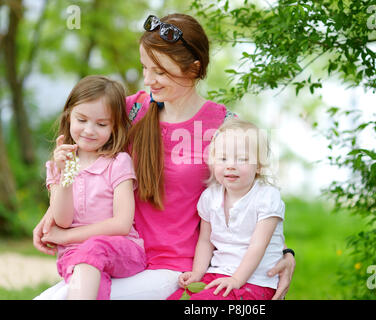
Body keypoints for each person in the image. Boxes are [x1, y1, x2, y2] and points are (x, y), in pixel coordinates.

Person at [33, 13, 295, 300]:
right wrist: (52, 213)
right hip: (117, 254)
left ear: (193, 68)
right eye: (145, 68)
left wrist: (284, 253)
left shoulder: (222, 126)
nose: (148, 80)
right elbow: (83, 157)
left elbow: (255, 197)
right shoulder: (129, 111)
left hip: (172, 266)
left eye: (160, 72)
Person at [39, 75, 146, 300]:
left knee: (93, 249)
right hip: (75, 256)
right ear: (69, 116)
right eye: (82, 120)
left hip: (123, 250)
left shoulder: (118, 162)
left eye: (101, 124)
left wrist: (66, 237)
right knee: (90, 273)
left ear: (114, 127)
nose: (89, 130)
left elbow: (122, 224)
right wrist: (65, 174)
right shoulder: (57, 166)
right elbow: (63, 220)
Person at [168, 119, 285, 300]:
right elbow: (206, 241)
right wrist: (197, 274)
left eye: (242, 159)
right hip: (217, 273)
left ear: (259, 166)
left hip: (255, 281)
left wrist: (236, 279)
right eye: (223, 158)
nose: (231, 165)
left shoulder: (266, 197)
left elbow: (258, 245)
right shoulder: (210, 197)